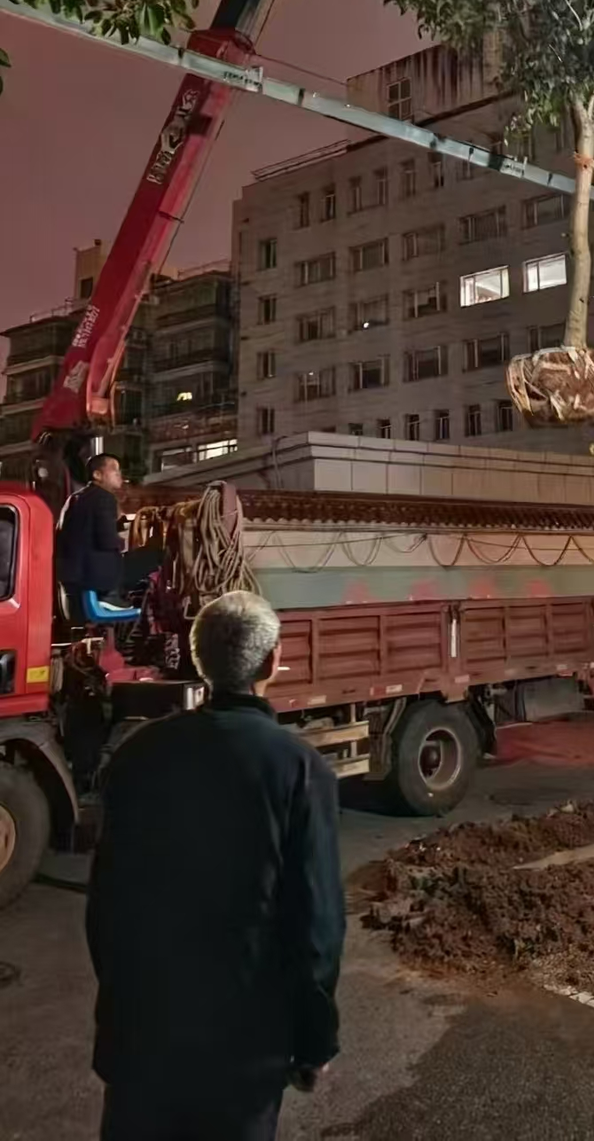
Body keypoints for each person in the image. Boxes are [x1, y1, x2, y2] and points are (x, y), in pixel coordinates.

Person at [86, 590, 345, 1141]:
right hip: (243, 1052)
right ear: (272, 662)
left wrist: (120, 1009)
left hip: (141, 1039)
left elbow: (105, 905)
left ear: (197, 657)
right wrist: (314, 1039)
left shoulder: (137, 755)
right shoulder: (300, 770)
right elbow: (316, 925)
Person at [56, 452, 126, 603]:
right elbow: (107, 541)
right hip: (96, 579)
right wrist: (123, 542)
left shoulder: (75, 497)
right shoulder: (104, 497)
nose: (119, 474)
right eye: (114, 469)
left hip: (72, 576)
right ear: (97, 475)